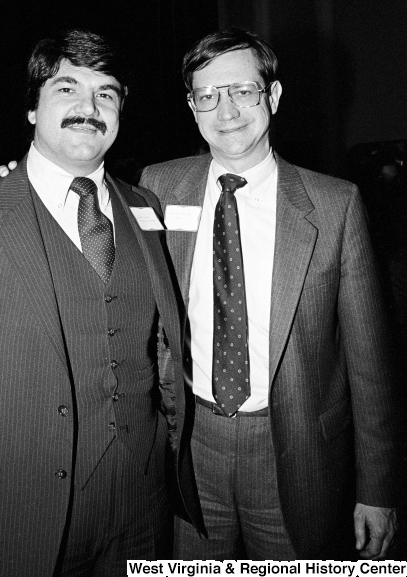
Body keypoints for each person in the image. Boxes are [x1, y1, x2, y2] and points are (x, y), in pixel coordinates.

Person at [0, 30, 202, 577]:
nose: (88, 108)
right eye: (67, 88)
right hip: (14, 507)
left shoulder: (145, 206)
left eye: (106, 93)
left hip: (141, 506)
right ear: (32, 108)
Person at [139, 28, 398, 560]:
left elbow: (371, 361)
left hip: (295, 452)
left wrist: (379, 490)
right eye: (207, 95)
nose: (226, 110)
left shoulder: (334, 205)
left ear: (272, 97)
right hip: (191, 445)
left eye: (242, 91)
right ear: (192, 107)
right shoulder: (159, 188)